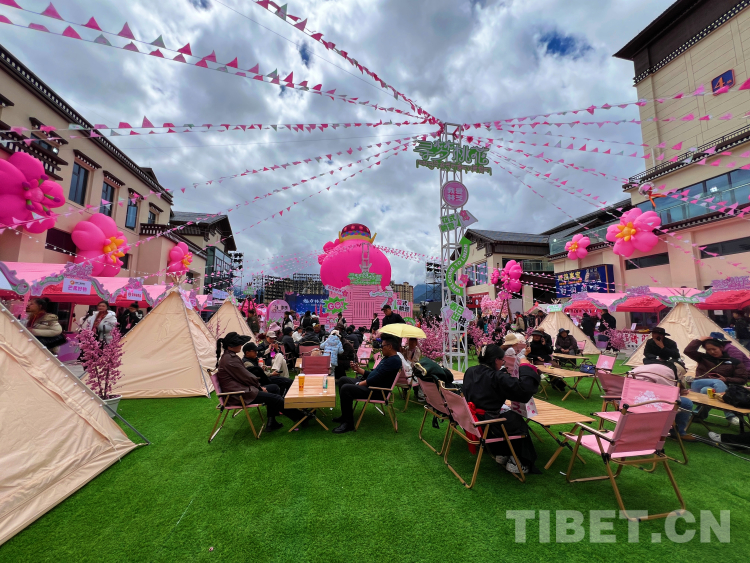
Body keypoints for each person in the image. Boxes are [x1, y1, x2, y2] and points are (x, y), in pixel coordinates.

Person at [462, 344, 541, 474]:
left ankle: (502, 453)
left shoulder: (471, 371)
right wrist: (525, 366)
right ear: (496, 360)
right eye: (502, 360)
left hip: (473, 420)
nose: (502, 363)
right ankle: (518, 461)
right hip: (488, 422)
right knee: (516, 421)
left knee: (508, 415)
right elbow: (524, 390)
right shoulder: (496, 377)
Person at [214, 332, 300, 431]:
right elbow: (247, 377)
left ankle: (272, 422)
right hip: (239, 394)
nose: (241, 345)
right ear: (231, 346)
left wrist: (259, 386)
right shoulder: (230, 359)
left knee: (274, 388)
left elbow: (244, 377)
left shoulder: (229, 357)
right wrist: (259, 387)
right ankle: (301, 417)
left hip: (241, 390)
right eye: (239, 343)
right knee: (276, 398)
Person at [333, 334, 403, 433]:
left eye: (382, 346)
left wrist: (359, 384)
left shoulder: (394, 361)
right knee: (343, 380)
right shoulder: (388, 358)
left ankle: (348, 424)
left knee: (346, 388)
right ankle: (345, 416)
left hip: (378, 391)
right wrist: (358, 369)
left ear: (390, 346)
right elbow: (373, 374)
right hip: (372, 386)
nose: (380, 348)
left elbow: (376, 379)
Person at [685, 336, 748, 425]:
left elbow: (742, 379)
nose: (712, 352)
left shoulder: (734, 362)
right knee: (718, 382)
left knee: (706, 390)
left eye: (714, 349)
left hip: (718, 389)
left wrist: (726, 379)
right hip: (698, 383)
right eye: (708, 350)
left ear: (721, 348)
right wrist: (700, 340)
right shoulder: (702, 357)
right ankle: (730, 415)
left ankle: (697, 415)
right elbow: (688, 351)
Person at [629, 363, 695, 442]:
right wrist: (678, 393)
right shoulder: (667, 371)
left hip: (628, 401)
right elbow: (666, 394)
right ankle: (677, 432)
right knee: (686, 403)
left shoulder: (642, 367)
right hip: (648, 403)